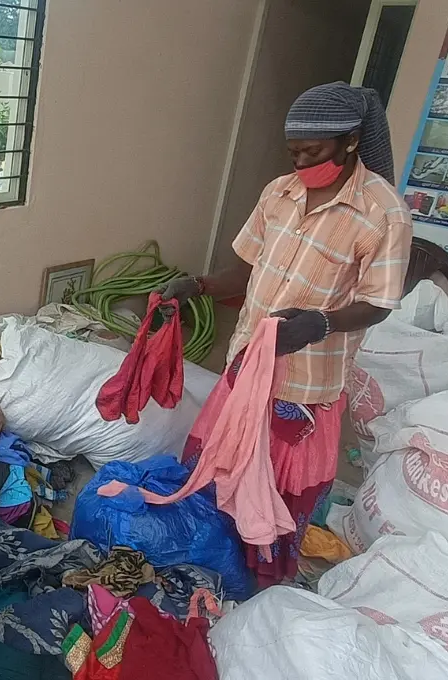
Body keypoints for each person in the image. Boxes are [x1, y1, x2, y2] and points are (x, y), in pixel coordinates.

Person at [160, 82, 412, 587]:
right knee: (218, 474)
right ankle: (208, 555)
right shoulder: (279, 193)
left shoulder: (383, 213)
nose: (300, 162)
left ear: (350, 142)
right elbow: (248, 270)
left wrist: (322, 322)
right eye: (293, 151)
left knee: (273, 497)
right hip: (246, 366)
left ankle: (257, 583)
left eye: (312, 151)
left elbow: (379, 303)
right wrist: (200, 285)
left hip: (305, 386)